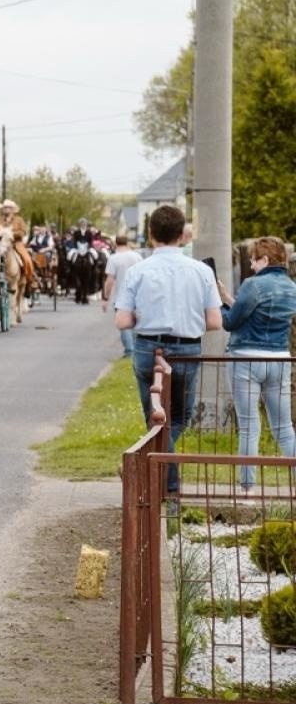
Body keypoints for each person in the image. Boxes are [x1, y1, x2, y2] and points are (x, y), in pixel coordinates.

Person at [113, 204, 221, 498]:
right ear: (182, 234)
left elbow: (122, 320)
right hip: (187, 349)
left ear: (150, 235)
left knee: (155, 419)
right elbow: (214, 321)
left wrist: (143, 315)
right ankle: (168, 489)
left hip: (150, 347)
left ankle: (144, 465)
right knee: (178, 419)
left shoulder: (138, 270)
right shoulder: (201, 271)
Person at [217, 238, 296, 492]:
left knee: (250, 425)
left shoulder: (252, 284)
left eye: (253, 260)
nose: (250, 265)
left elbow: (230, 322)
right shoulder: (291, 287)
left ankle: (247, 488)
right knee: (284, 428)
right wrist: (231, 298)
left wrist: (219, 302)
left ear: (264, 260)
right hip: (280, 359)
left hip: (246, 359)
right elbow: (259, 315)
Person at [101, 235, 141, 352]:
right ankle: (135, 348)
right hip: (137, 295)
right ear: (127, 242)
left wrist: (105, 297)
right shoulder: (137, 257)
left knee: (124, 324)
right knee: (135, 323)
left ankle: (129, 350)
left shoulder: (114, 258)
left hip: (121, 296)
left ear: (115, 244)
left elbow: (109, 280)